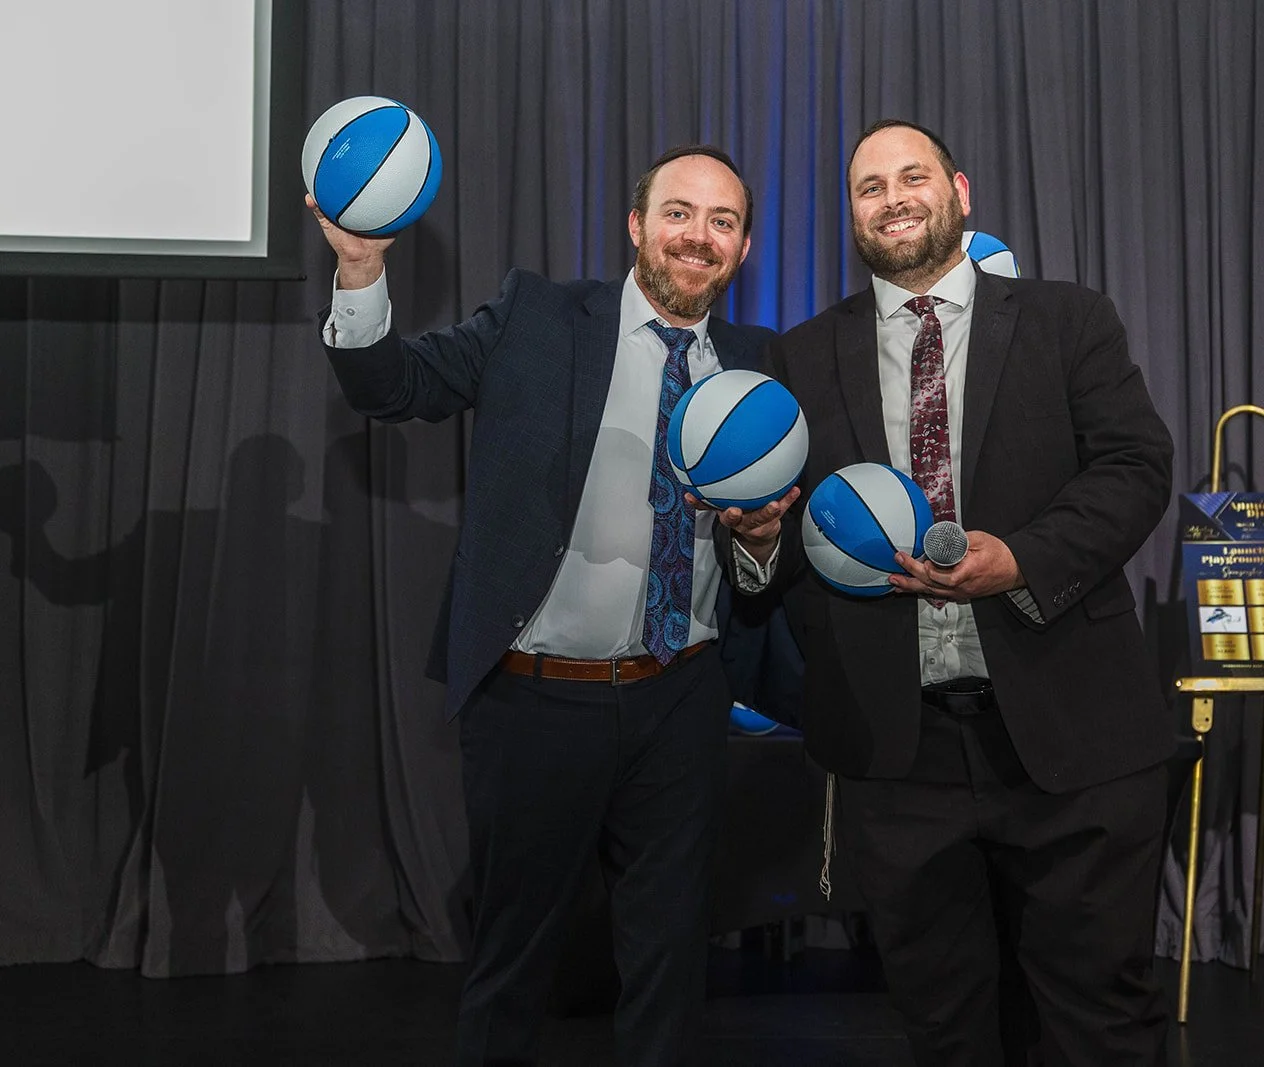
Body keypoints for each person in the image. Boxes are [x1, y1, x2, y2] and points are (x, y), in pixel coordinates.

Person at [312, 144, 796, 1067]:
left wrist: (762, 541)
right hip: (535, 699)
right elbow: (394, 387)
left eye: (722, 221)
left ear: (741, 249)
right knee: (513, 962)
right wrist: (362, 266)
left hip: (683, 695)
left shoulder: (758, 365)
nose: (698, 236)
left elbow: (763, 570)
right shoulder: (537, 316)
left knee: (669, 964)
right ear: (637, 226)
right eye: (679, 212)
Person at [719, 120, 1176, 1065]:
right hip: (899, 755)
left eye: (912, 176)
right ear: (852, 215)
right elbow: (794, 542)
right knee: (944, 1029)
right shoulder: (802, 356)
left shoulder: (1068, 319)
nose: (893, 199)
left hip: (1073, 735)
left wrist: (1022, 559)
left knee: (1100, 1022)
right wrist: (760, 542)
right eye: (870, 187)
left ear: (959, 192)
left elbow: (1136, 467)